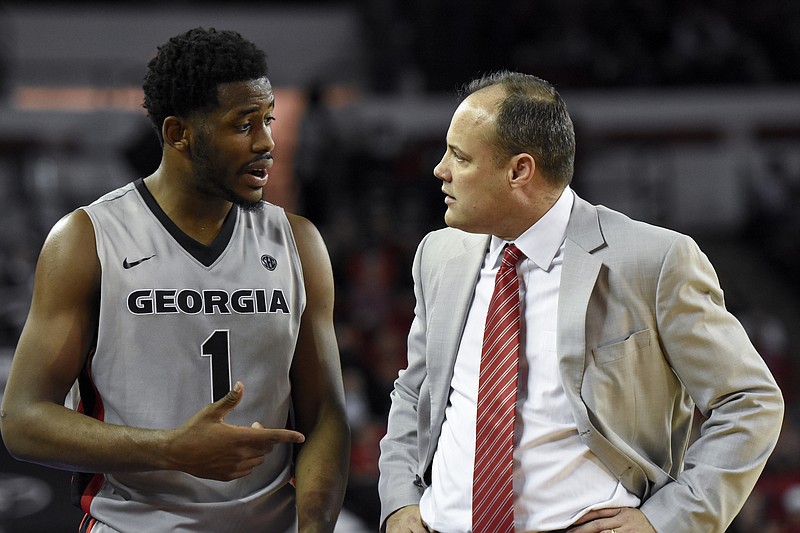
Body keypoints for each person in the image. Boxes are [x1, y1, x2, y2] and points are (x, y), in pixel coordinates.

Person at [377, 70, 784, 533]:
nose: (440, 169)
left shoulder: (654, 260)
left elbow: (750, 400)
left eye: (460, 156)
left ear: (519, 171)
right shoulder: (439, 253)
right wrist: (400, 500)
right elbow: (414, 392)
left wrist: (668, 521)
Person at [0, 27, 350, 533]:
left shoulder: (298, 242)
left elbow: (325, 418)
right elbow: (22, 421)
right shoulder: (87, 239)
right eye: (243, 124)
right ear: (178, 133)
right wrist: (168, 449)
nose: (267, 142)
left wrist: (314, 528)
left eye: (268, 120)